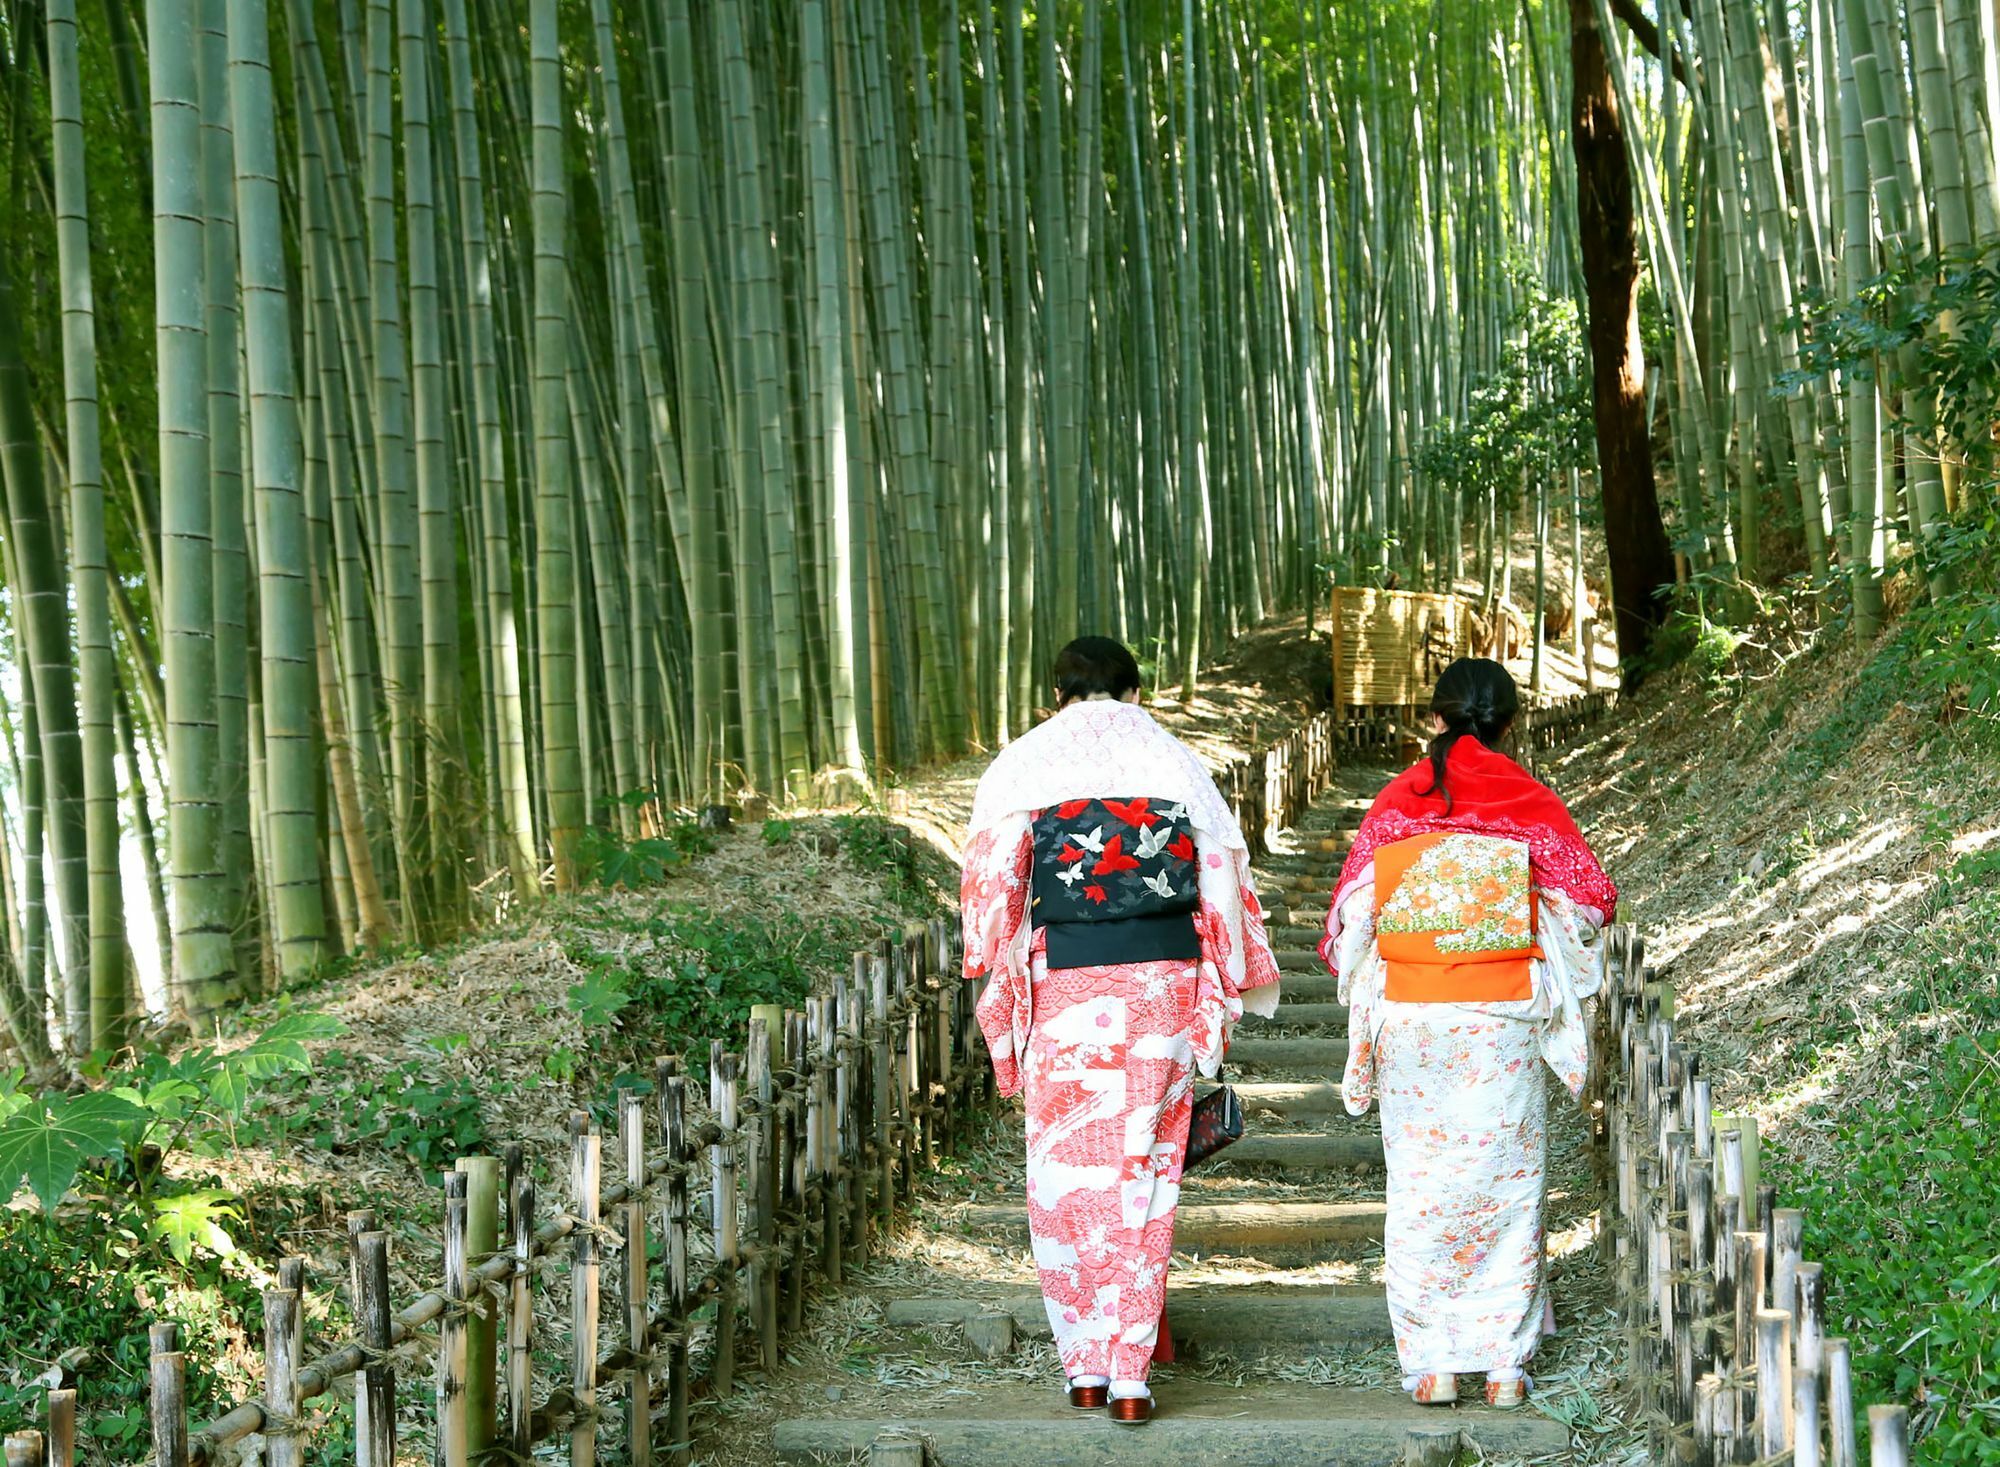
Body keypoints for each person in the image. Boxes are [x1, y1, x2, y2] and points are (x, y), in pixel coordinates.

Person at [961, 636, 1282, 1423]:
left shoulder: (1023, 764)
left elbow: (992, 899)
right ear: (1137, 692)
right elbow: (1220, 878)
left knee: (1062, 1168)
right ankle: (1132, 1376)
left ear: (1058, 694)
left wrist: (1001, 978)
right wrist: (1226, 978)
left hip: (1067, 980)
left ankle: (1084, 1368)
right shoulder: (1174, 760)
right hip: (1161, 987)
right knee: (1144, 1166)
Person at [1318, 658, 1616, 1410]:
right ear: (1509, 723)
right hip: (1500, 1013)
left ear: (1436, 717)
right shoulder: (1526, 795)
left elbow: (1350, 918)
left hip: (1416, 1016)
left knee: (1420, 1189)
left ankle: (1431, 1363)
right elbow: (1589, 903)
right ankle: (1505, 1366)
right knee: (1509, 1186)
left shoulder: (1397, 797)